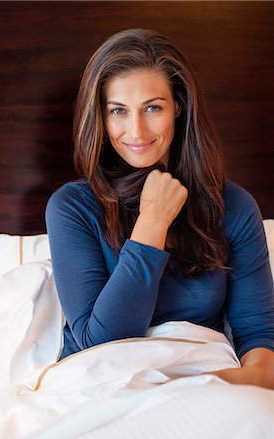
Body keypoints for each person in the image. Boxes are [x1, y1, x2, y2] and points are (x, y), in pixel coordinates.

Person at [46, 28, 274, 388]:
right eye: (118, 111)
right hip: (101, 388)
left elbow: (260, 340)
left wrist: (194, 387)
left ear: (178, 107)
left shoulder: (233, 206)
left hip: (209, 383)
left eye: (152, 108)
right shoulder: (73, 208)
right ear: (101, 119)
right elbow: (99, 345)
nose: (135, 130)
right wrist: (153, 221)